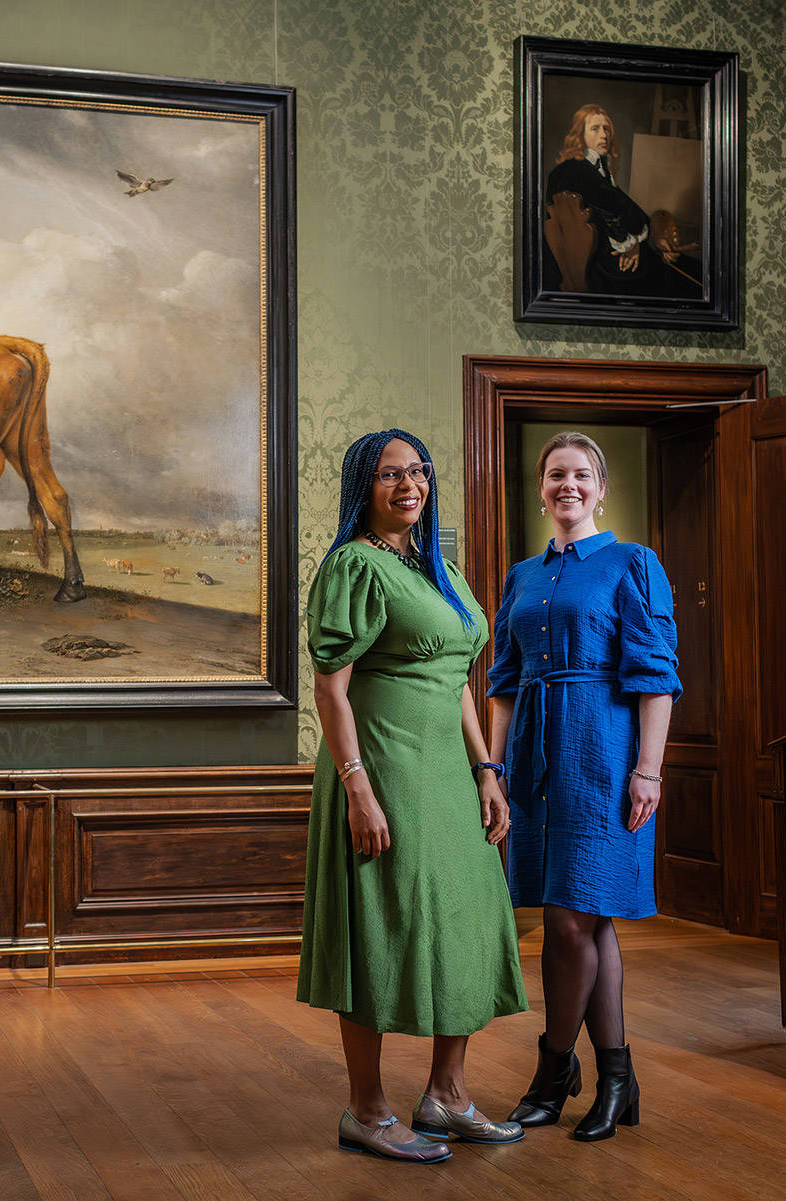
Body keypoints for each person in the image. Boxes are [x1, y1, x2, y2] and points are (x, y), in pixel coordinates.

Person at [299, 428, 527, 1164]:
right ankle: (366, 1108)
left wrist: (487, 770)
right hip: (387, 772)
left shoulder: (443, 568)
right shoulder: (355, 566)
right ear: (363, 486)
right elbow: (330, 688)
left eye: (420, 471)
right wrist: (356, 783)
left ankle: (447, 1093)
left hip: (450, 779)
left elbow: (463, 679)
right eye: (390, 473)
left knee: (466, 918)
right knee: (381, 927)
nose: (410, 484)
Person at [486, 430, 680, 1143]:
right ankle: (618, 1077)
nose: (567, 485)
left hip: (604, 750)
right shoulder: (522, 577)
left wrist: (648, 768)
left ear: (601, 489)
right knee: (586, 919)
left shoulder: (634, 563)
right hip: (536, 755)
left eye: (581, 475)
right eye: (555, 474)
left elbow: (657, 676)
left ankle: (554, 1068)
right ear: (542, 489)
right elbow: (503, 682)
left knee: (571, 920)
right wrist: (494, 771)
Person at [542, 104, 702, 299]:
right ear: (579, 134)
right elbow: (618, 211)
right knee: (687, 277)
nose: (604, 135)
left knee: (684, 267)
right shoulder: (578, 171)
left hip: (602, 262)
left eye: (606, 128)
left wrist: (647, 239)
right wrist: (630, 245)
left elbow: (622, 208)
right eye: (595, 128)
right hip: (604, 270)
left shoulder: (585, 168)